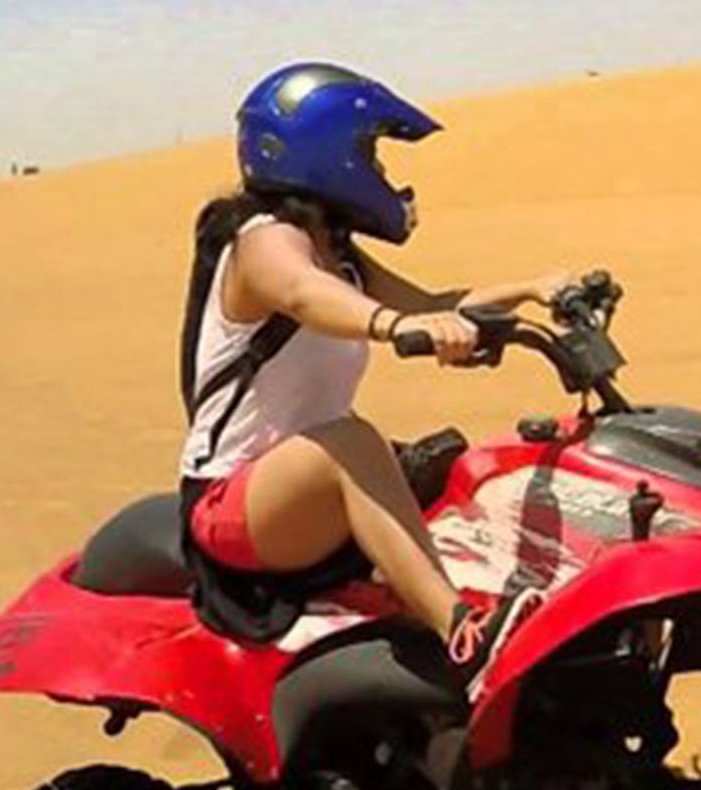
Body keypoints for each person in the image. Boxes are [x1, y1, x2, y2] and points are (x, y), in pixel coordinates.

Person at [178, 61, 568, 686]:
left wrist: (532, 290)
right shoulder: (260, 242)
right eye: (370, 153)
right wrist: (394, 326)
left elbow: (436, 304)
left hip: (299, 497)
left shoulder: (338, 255)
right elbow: (303, 294)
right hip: (232, 507)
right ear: (325, 152)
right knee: (353, 442)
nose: (381, 170)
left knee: (460, 468)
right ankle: (464, 636)